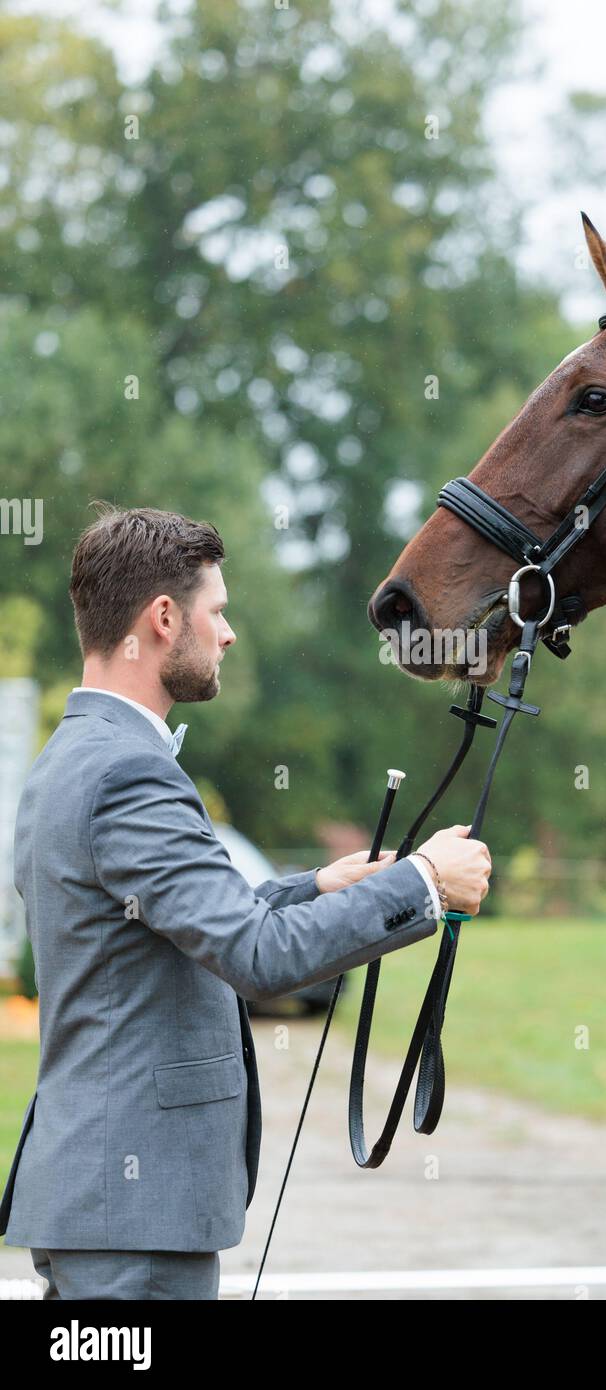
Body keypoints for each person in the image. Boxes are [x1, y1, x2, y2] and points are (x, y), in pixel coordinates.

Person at [0, 504, 491, 1300]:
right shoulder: (130, 773)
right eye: (217, 612)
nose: (227, 634)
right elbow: (258, 958)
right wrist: (424, 883)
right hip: (137, 1217)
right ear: (163, 618)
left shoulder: (74, 756)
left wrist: (318, 885)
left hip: (107, 1211)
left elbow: (163, 920)